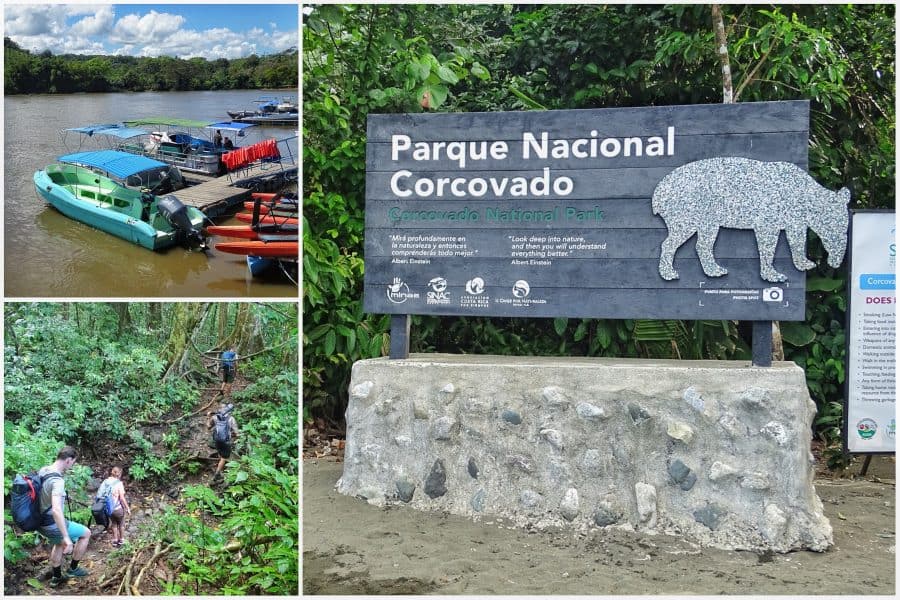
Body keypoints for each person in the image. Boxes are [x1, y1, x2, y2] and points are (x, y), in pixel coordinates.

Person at [38, 446, 92, 587]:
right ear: (68, 460)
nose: (72, 465)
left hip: (40, 522)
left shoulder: (44, 470)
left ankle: (56, 577)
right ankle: (73, 568)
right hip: (52, 523)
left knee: (58, 543)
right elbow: (56, 509)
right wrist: (67, 537)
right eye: (73, 462)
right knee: (86, 533)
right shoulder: (58, 481)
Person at [98, 466, 131, 548]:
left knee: (114, 523)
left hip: (108, 508)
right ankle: (122, 540)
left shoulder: (106, 481)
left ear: (112, 472)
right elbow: (122, 498)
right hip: (117, 508)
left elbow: (100, 494)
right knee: (121, 524)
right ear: (119, 474)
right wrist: (127, 508)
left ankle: (115, 540)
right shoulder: (119, 483)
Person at [206, 403, 239, 482]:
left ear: (219, 409)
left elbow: (208, 427)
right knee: (224, 458)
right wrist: (235, 437)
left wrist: (208, 417)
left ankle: (219, 463)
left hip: (216, 440)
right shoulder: (231, 419)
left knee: (220, 452)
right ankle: (217, 474)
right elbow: (237, 433)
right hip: (225, 441)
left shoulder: (214, 417)